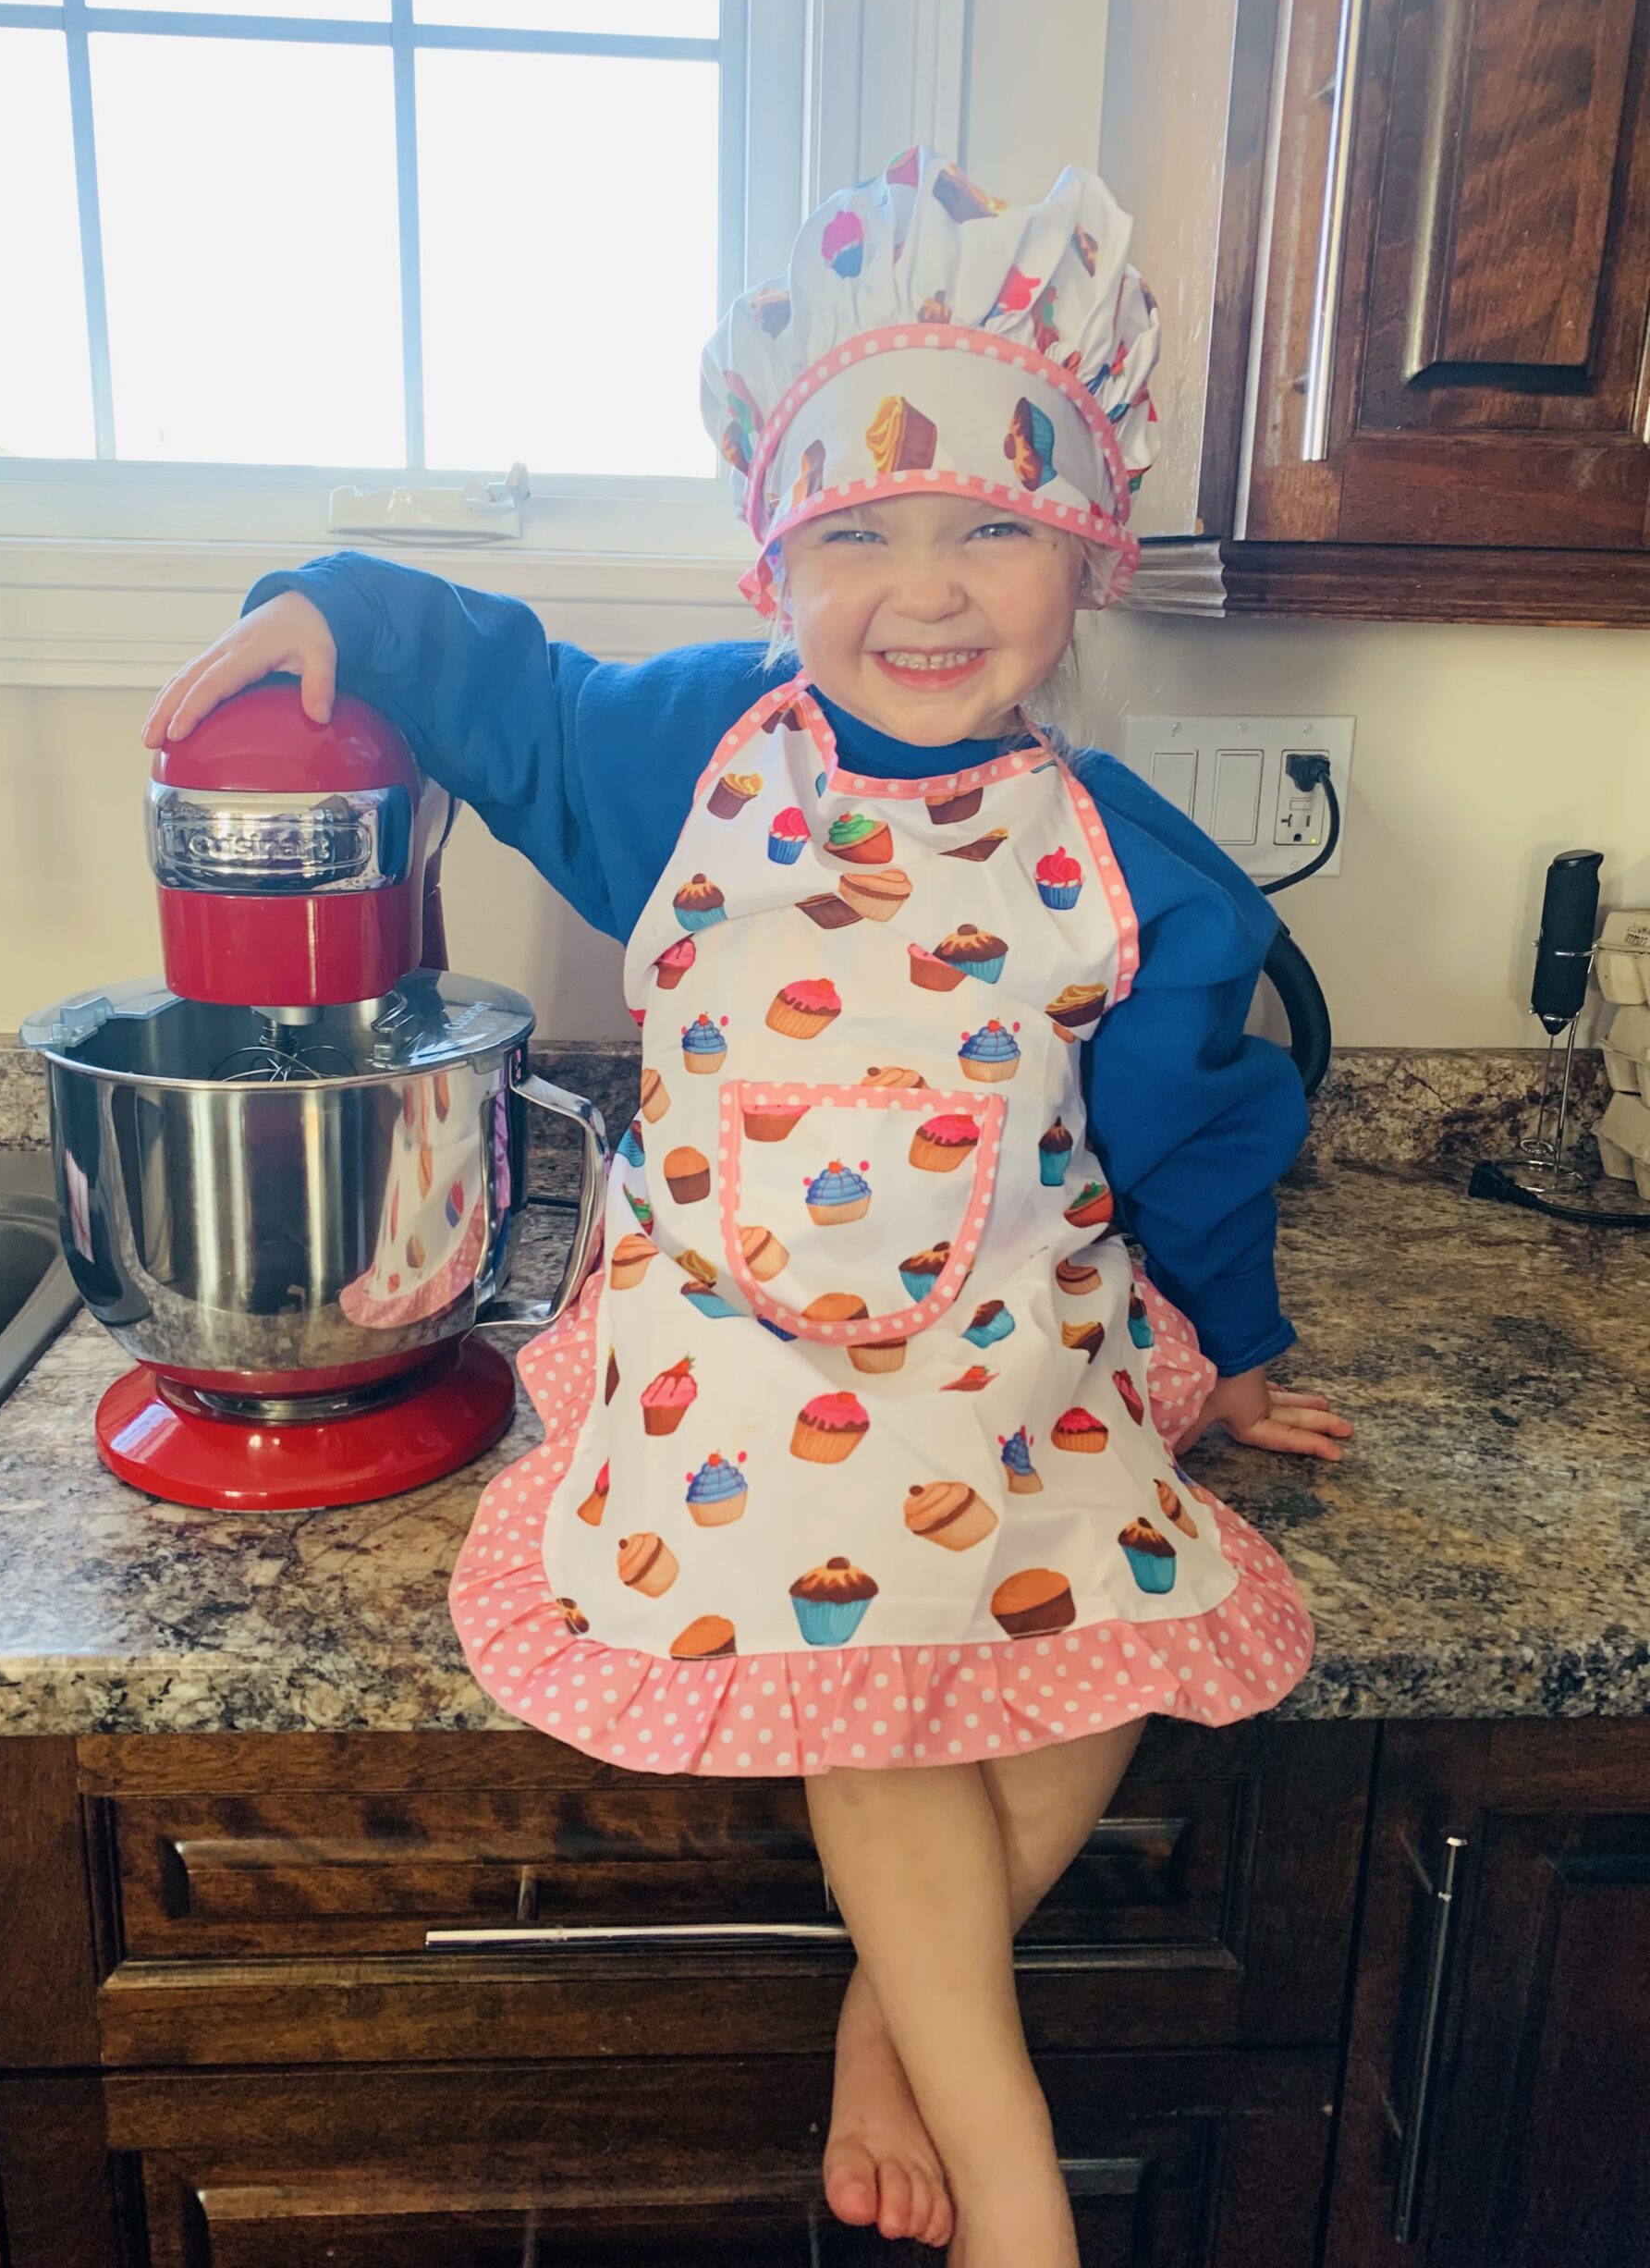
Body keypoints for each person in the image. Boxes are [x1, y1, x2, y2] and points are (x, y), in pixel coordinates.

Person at [146, 148, 1351, 2268]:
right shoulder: (691, 752)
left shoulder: (1127, 853)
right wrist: (341, 598)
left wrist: (1232, 1350)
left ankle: (898, 2018)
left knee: (1109, 1666)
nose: (927, 587)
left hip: (1012, 1340)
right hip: (738, 1349)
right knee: (859, 1631)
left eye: (994, 524)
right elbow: (508, 690)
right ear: (774, 558)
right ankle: (1012, 2180)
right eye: (858, 530)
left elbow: (1191, 1128)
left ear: (1089, 554)